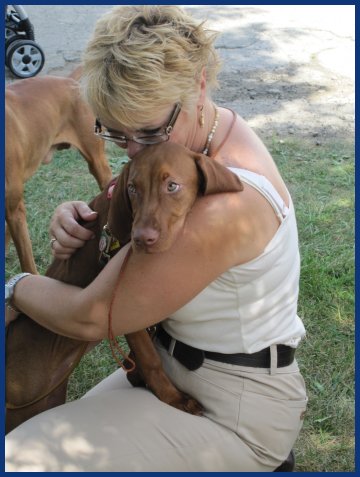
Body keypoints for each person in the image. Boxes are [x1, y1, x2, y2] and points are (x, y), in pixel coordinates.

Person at [5, 5, 307, 472]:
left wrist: (14, 287)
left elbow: (91, 317)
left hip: (233, 410)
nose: (135, 152)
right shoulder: (201, 136)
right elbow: (121, 196)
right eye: (116, 134)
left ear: (198, 86)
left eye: (148, 131)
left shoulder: (227, 204)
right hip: (165, 372)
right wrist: (78, 216)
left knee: (22, 459)